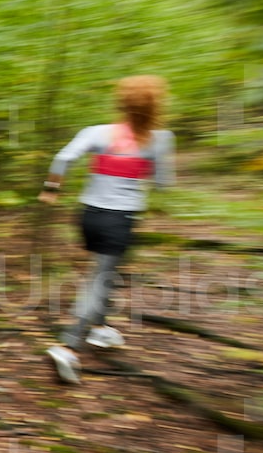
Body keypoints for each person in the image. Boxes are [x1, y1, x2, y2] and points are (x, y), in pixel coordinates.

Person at [39, 75, 175, 384]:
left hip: (88, 216)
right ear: (156, 107)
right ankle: (67, 345)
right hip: (120, 219)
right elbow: (164, 184)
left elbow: (63, 158)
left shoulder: (97, 133)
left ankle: (100, 330)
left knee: (102, 272)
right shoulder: (160, 139)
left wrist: (51, 190)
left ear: (121, 103)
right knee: (100, 279)